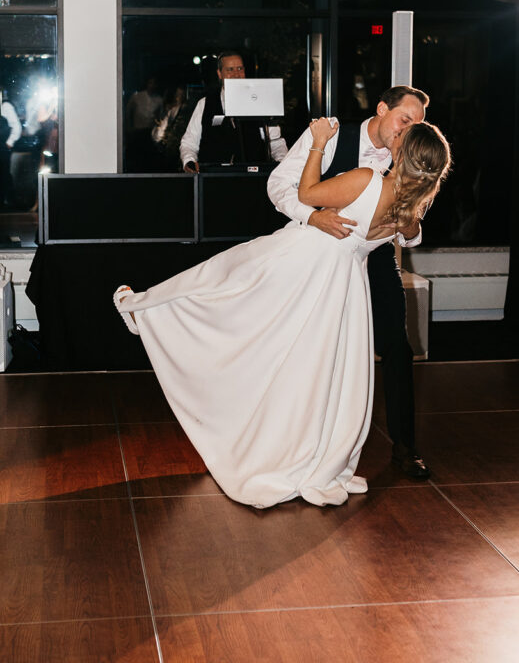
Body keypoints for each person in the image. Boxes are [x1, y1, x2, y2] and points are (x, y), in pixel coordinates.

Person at [113, 119, 450, 509]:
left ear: (403, 154)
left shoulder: (368, 180)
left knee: (223, 284)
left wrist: (319, 144)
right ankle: (306, 455)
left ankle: (148, 311)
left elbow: (306, 195)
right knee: (308, 368)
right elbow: (408, 234)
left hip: (304, 261)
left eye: (401, 138)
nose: (394, 137)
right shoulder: (409, 211)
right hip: (344, 287)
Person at [268, 85, 432, 479]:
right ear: (381, 109)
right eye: (404, 120)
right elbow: (278, 186)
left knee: (397, 344)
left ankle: (405, 447)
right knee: (307, 344)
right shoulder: (331, 132)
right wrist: (313, 217)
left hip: (372, 256)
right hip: (319, 251)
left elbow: (413, 230)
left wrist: (408, 228)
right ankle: (296, 440)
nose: (408, 131)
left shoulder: (413, 155)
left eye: (417, 125)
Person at [179, 51, 287, 172]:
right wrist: (189, 161)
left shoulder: (261, 103)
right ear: (219, 74)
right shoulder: (205, 104)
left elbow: (276, 142)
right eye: (230, 70)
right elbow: (189, 143)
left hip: (252, 178)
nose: (236, 74)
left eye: (240, 68)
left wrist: (282, 164)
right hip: (214, 178)